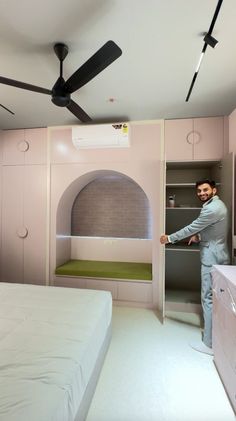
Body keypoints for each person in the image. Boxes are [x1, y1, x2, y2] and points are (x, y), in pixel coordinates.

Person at [160, 179, 230, 355]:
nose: (202, 193)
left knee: (207, 298)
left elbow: (193, 226)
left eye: (205, 190)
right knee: (217, 299)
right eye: (199, 191)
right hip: (220, 253)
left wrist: (169, 238)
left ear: (213, 190)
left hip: (211, 257)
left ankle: (209, 344)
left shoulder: (211, 208)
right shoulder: (218, 205)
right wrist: (200, 237)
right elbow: (212, 228)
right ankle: (218, 337)